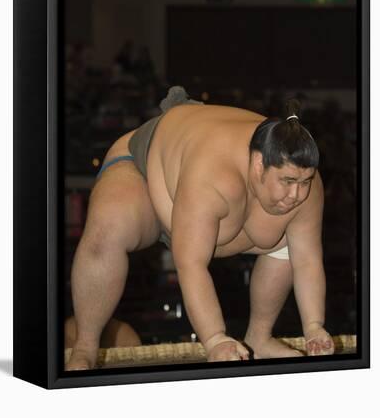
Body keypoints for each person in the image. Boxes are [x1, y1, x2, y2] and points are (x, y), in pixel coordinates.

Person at [66, 86, 334, 370]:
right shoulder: (212, 176)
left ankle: (259, 337)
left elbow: (307, 261)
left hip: (206, 208)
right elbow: (191, 264)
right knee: (108, 227)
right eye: (288, 182)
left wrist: (314, 327)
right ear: (259, 165)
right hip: (145, 172)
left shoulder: (305, 184)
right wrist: (215, 339)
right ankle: (84, 347)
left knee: (289, 242)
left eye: (304, 182)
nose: (296, 194)